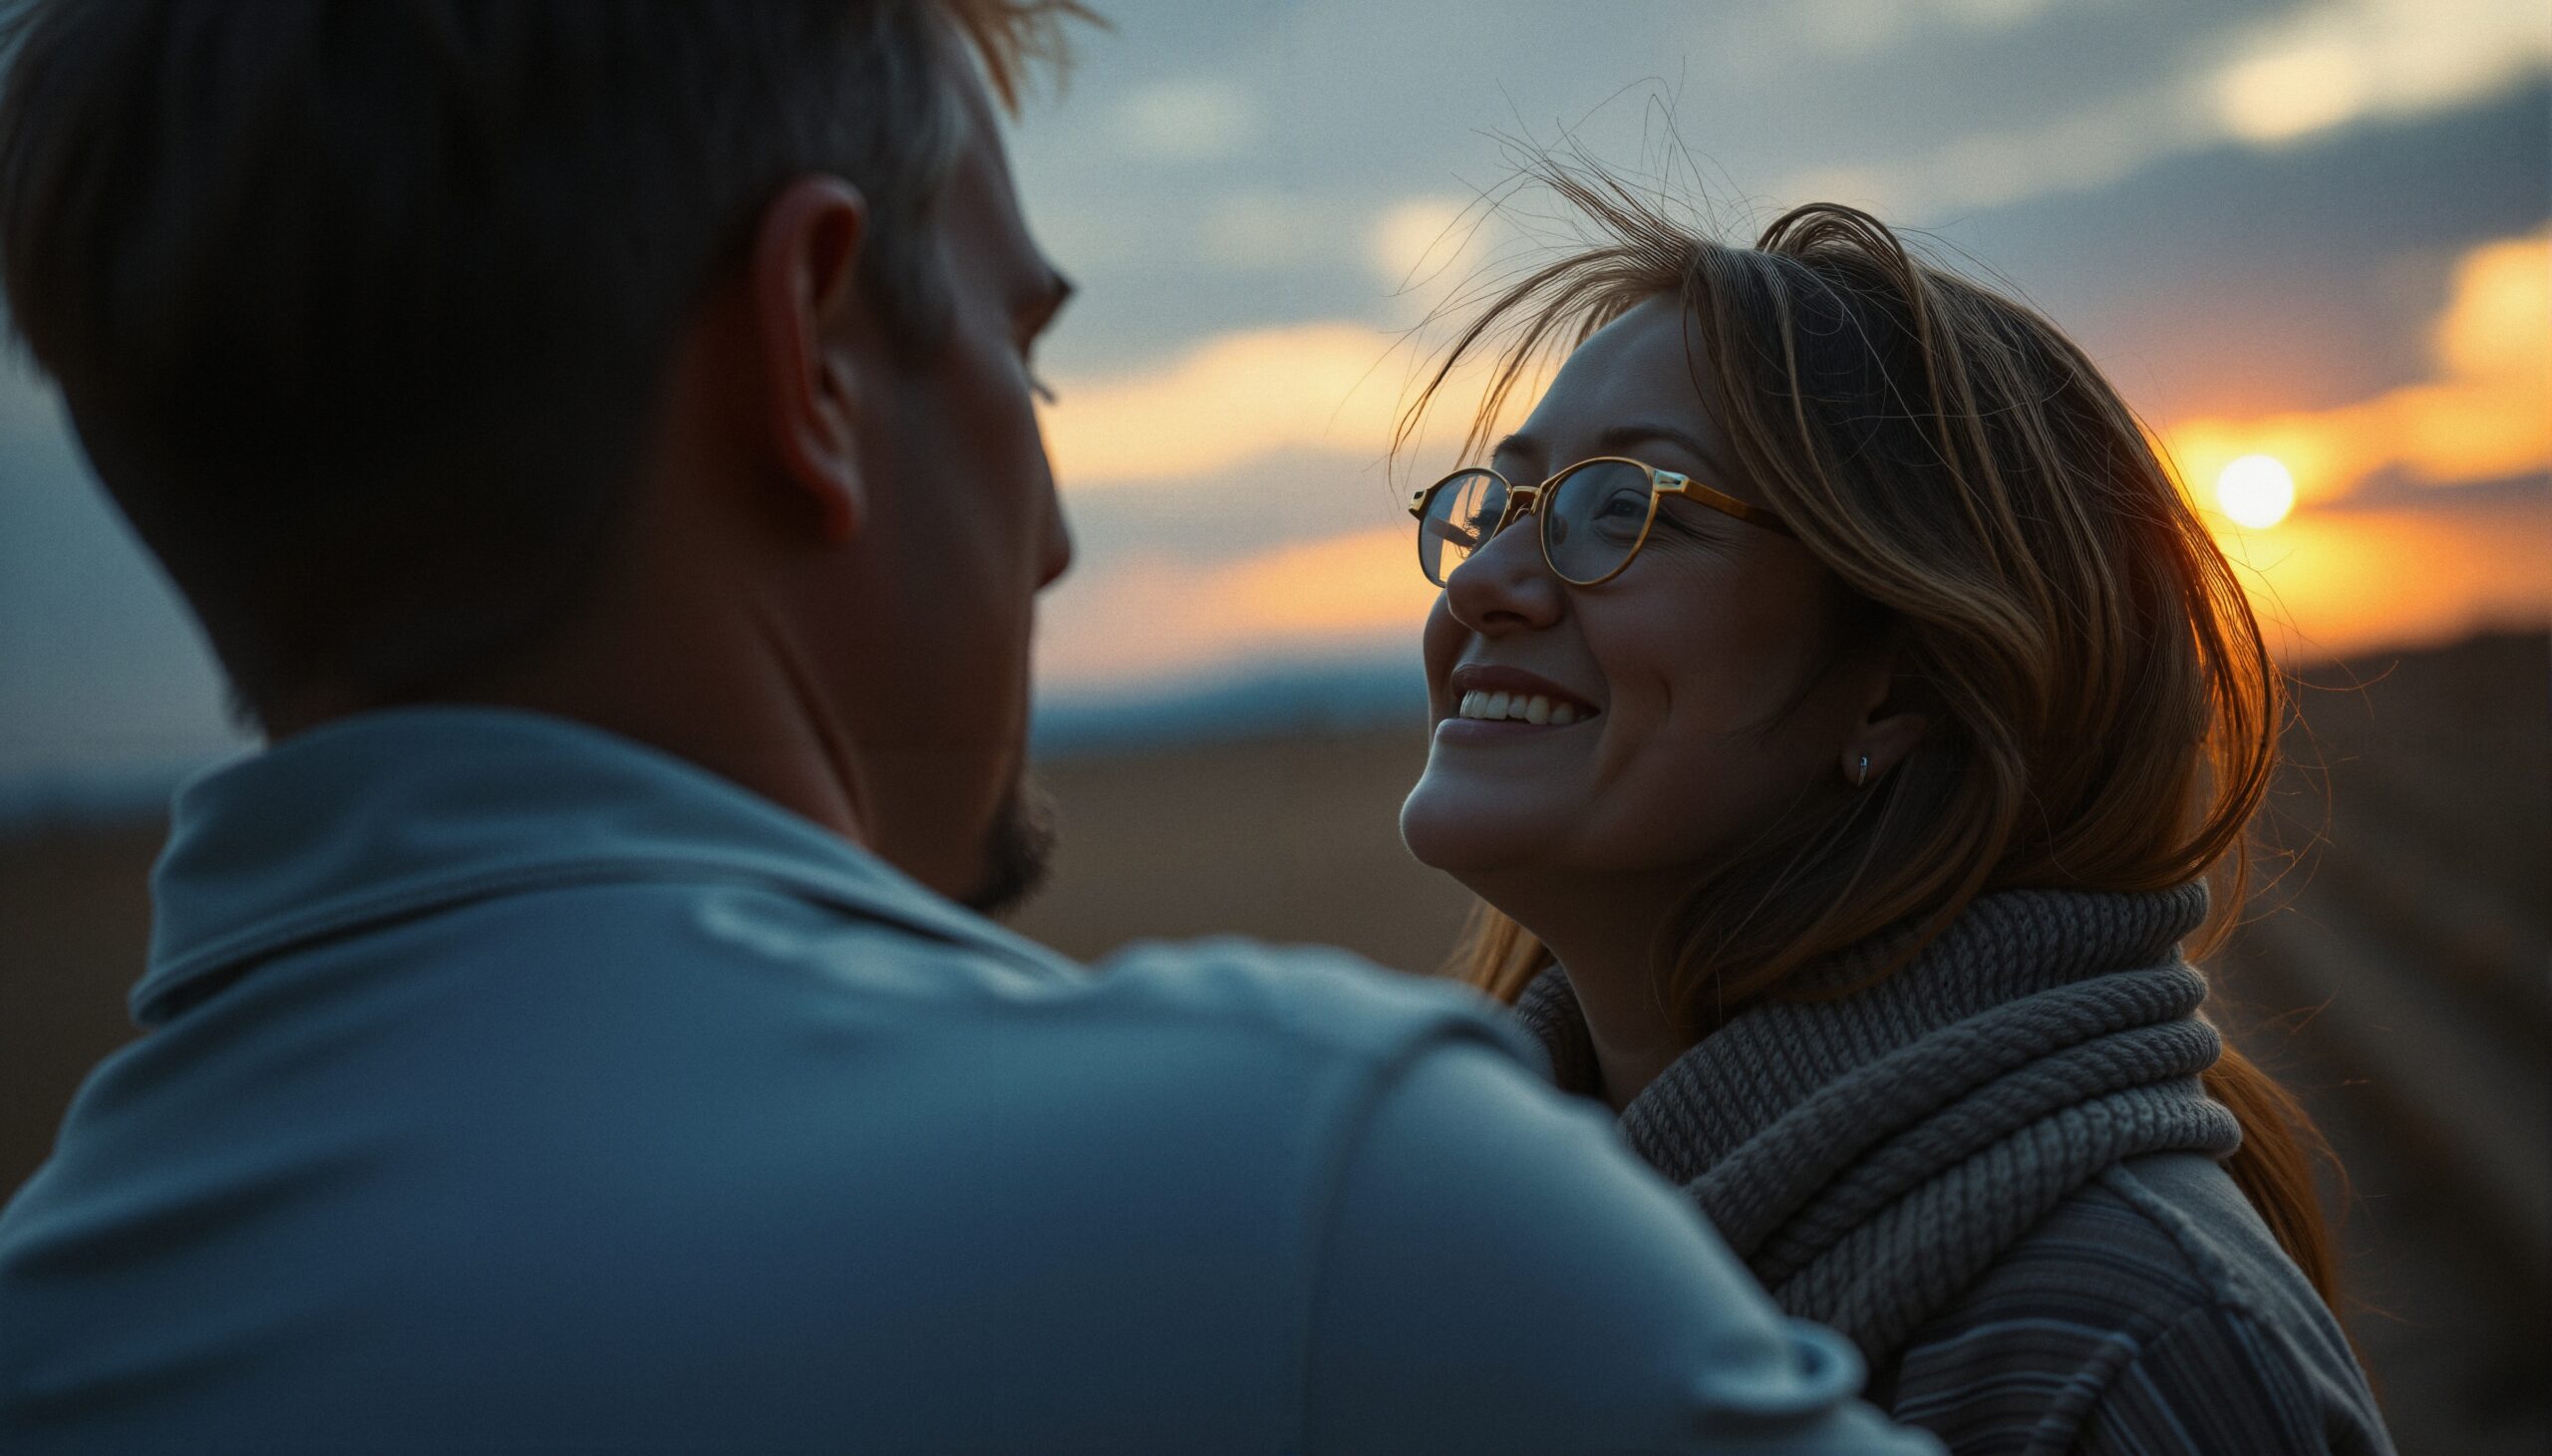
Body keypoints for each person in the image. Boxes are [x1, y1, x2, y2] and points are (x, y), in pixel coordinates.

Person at [0, 4, 1946, 1453]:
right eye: (1018, 353)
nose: (1054, 532)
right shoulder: (1310, 1208)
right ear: (811, 351)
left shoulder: (59, 1327)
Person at [1394, 163, 2397, 1454]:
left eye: (1621, 510)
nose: (1486, 582)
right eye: (1501, 503)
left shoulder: (2125, 1355)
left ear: (1900, 684)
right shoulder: (1446, 1252)